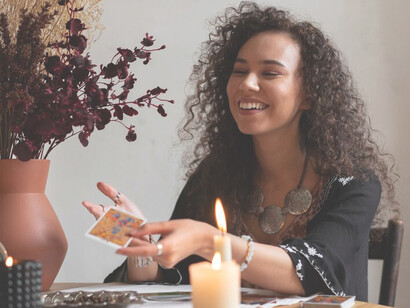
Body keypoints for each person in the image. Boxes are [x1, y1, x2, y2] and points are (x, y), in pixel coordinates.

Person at [82, 1, 398, 301]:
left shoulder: (353, 182)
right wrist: (144, 247)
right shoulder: (217, 173)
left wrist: (211, 241)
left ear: (309, 95)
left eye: (270, 73)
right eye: (239, 70)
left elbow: (316, 271)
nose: (247, 84)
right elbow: (170, 279)